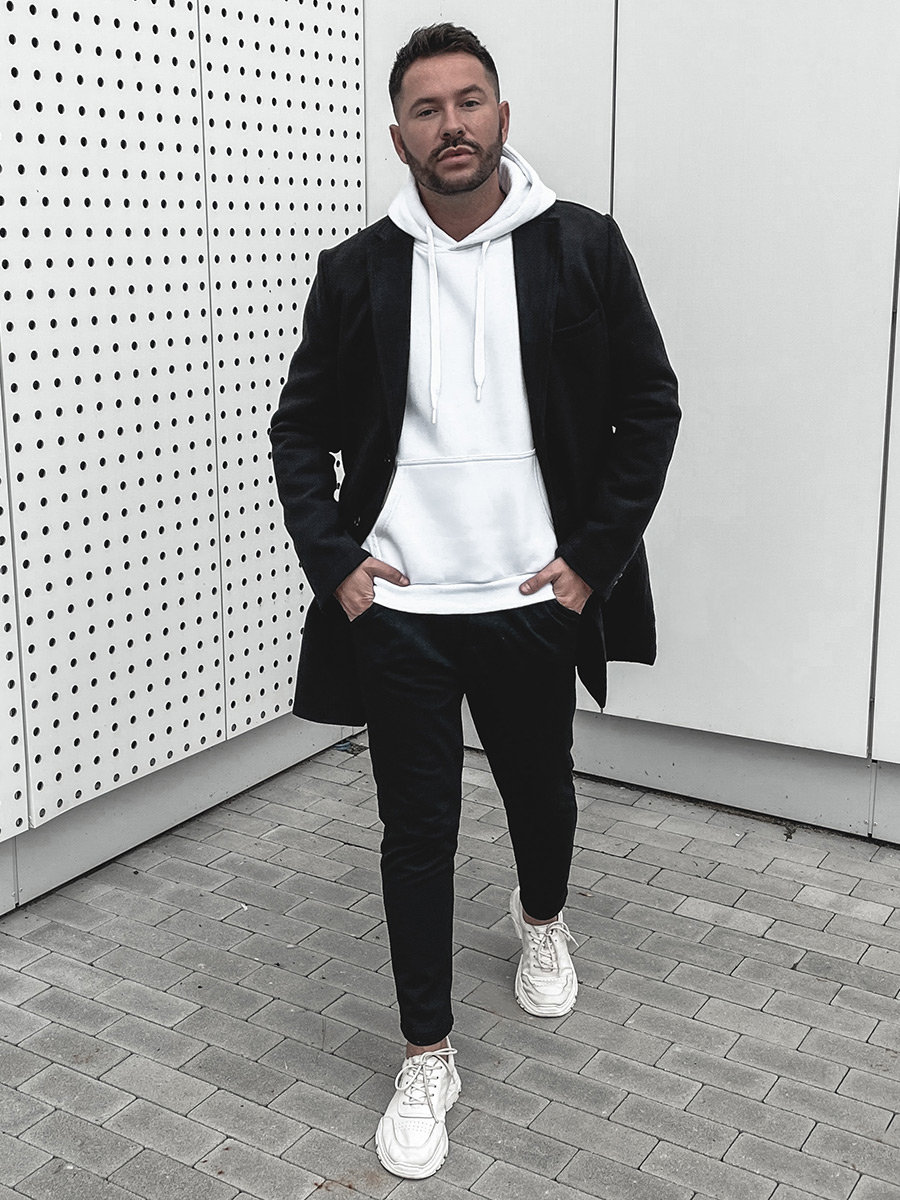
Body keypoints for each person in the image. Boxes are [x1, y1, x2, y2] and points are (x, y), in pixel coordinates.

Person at [269, 23, 679, 1180]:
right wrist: (336, 561)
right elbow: (299, 430)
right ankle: (426, 1053)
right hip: (400, 612)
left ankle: (540, 919)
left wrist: (591, 560)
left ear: (502, 115)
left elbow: (650, 408)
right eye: (426, 108)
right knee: (417, 833)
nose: (450, 124)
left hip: (530, 601)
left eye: (469, 101)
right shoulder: (356, 270)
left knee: (541, 797)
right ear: (398, 135)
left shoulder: (582, 247)